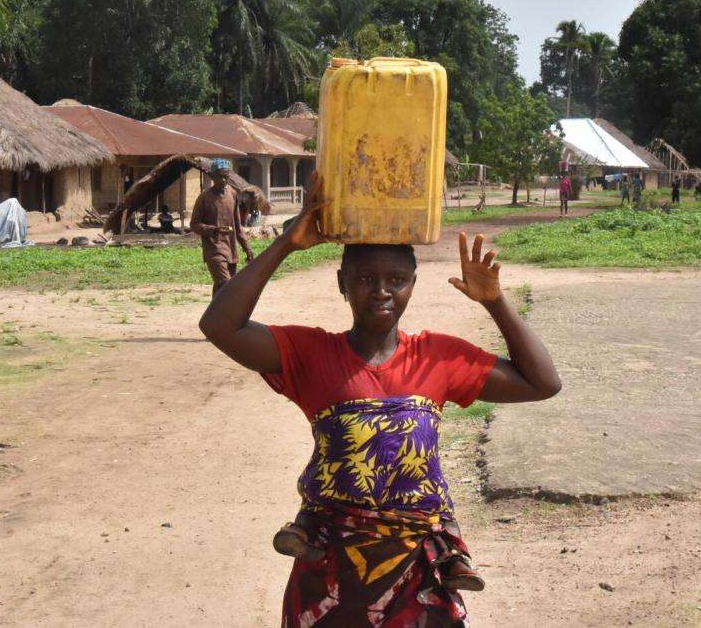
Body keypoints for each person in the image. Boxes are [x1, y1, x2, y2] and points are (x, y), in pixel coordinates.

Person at [198, 175, 561, 626]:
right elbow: (219, 326)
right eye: (365, 278)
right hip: (330, 571)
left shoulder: (439, 356)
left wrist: (496, 302)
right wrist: (287, 244)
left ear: (412, 283)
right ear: (341, 283)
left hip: (420, 575)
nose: (382, 291)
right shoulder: (310, 354)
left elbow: (543, 383)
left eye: (396, 279)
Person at [190, 159, 254, 294]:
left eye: (226, 176)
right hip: (214, 249)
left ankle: (216, 315)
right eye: (220, 176)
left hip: (231, 249)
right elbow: (194, 224)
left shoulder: (232, 194)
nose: (224, 180)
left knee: (221, 289)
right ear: (213, 176)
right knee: (227, 285)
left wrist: (247, 248)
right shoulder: (204, 197)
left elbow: (237, 225)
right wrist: (213, 230)